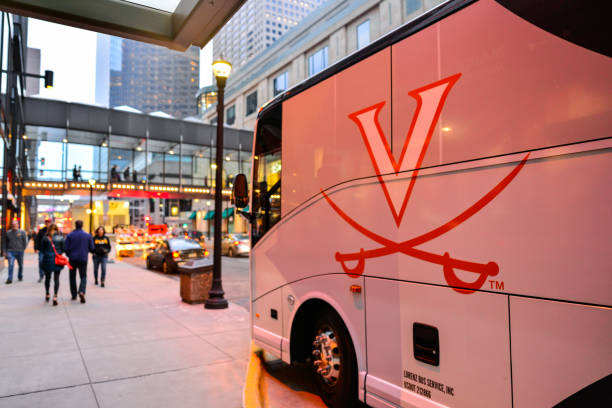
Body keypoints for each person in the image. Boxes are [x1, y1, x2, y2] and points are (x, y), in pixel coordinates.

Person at [64, 220, 94, 303]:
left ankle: (74, 295)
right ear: (82, 225)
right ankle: (81, 291)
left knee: (72, 277)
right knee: (83, 276)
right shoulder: (87, 236)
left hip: (72, 259)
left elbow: (66, 248)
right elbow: (92, 248)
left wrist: (69, 255)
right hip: (83, 258)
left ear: (75, 225)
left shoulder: (70, 235)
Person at [40, 223, 65, 306]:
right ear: (57, 229)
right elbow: (63, 249)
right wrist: (58, 253)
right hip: (57, 260)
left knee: (47, 278)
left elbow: (42, 250)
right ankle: (55, 296)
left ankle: (47, 293)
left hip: (47, 260)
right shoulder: (61, 238)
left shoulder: (45, 238)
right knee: (56, 279)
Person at [5, 220, 28, 284]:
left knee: (20, 265)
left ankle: (20, 276)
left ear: (18, 224)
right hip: (10, 251)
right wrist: (5, 251)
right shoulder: (8, 232)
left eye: (15, 224)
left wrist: (23, 248)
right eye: (13, 224)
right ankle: (10, 278)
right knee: (11, 264)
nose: (14, 225)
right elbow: (6, 242)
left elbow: (25, 242)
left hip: (20, 251)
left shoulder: (22, 232)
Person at [35, 219, 52, 283]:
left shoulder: (53, 231)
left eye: (49, 222)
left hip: (50, 250)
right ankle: (41, 276)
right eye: (46, 222)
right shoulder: (41, 231)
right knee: (41, 261)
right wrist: (36, 248)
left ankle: (48, 275)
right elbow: (37, 240)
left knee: (50, 263)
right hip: (42, 250)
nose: (47, 224)